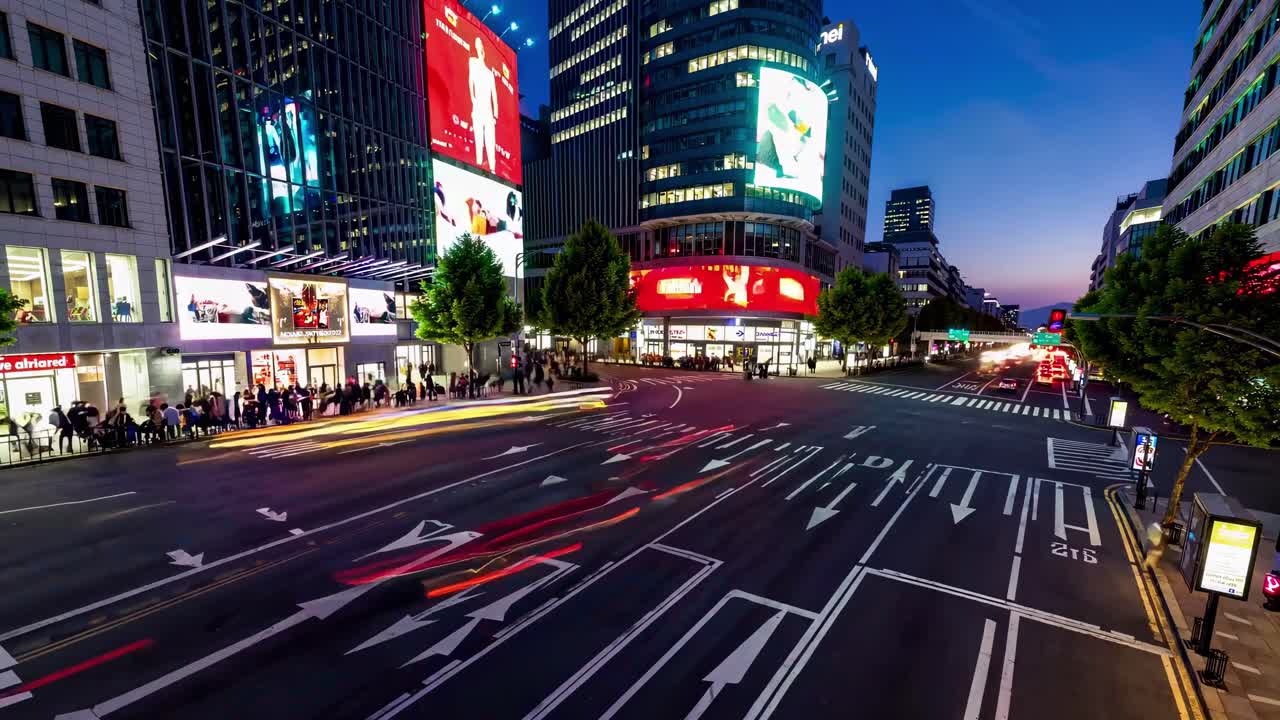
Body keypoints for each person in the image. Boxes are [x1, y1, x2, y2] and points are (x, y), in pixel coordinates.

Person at [468, 36, 499, 174]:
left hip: (488, 110)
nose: (479, 46)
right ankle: (479, 165)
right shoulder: (472, 62)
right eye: (477, 43)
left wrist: (495, 115)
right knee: (479, 138)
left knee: (490, 141)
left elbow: (494, 95)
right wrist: (473, 98)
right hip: (478, 106)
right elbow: (470, 80)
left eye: (480, 43)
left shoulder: (489, 73)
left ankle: (492, 168)